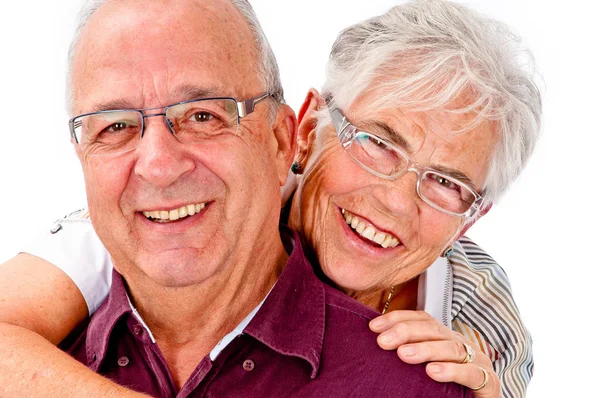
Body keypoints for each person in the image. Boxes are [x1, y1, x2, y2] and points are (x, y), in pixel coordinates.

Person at [0, 0, 541, 397]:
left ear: (472, 218)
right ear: (304, 131)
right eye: (378, 144)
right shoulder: (165, 215)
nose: (396, 203)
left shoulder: (475, 303)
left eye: (446, 183)